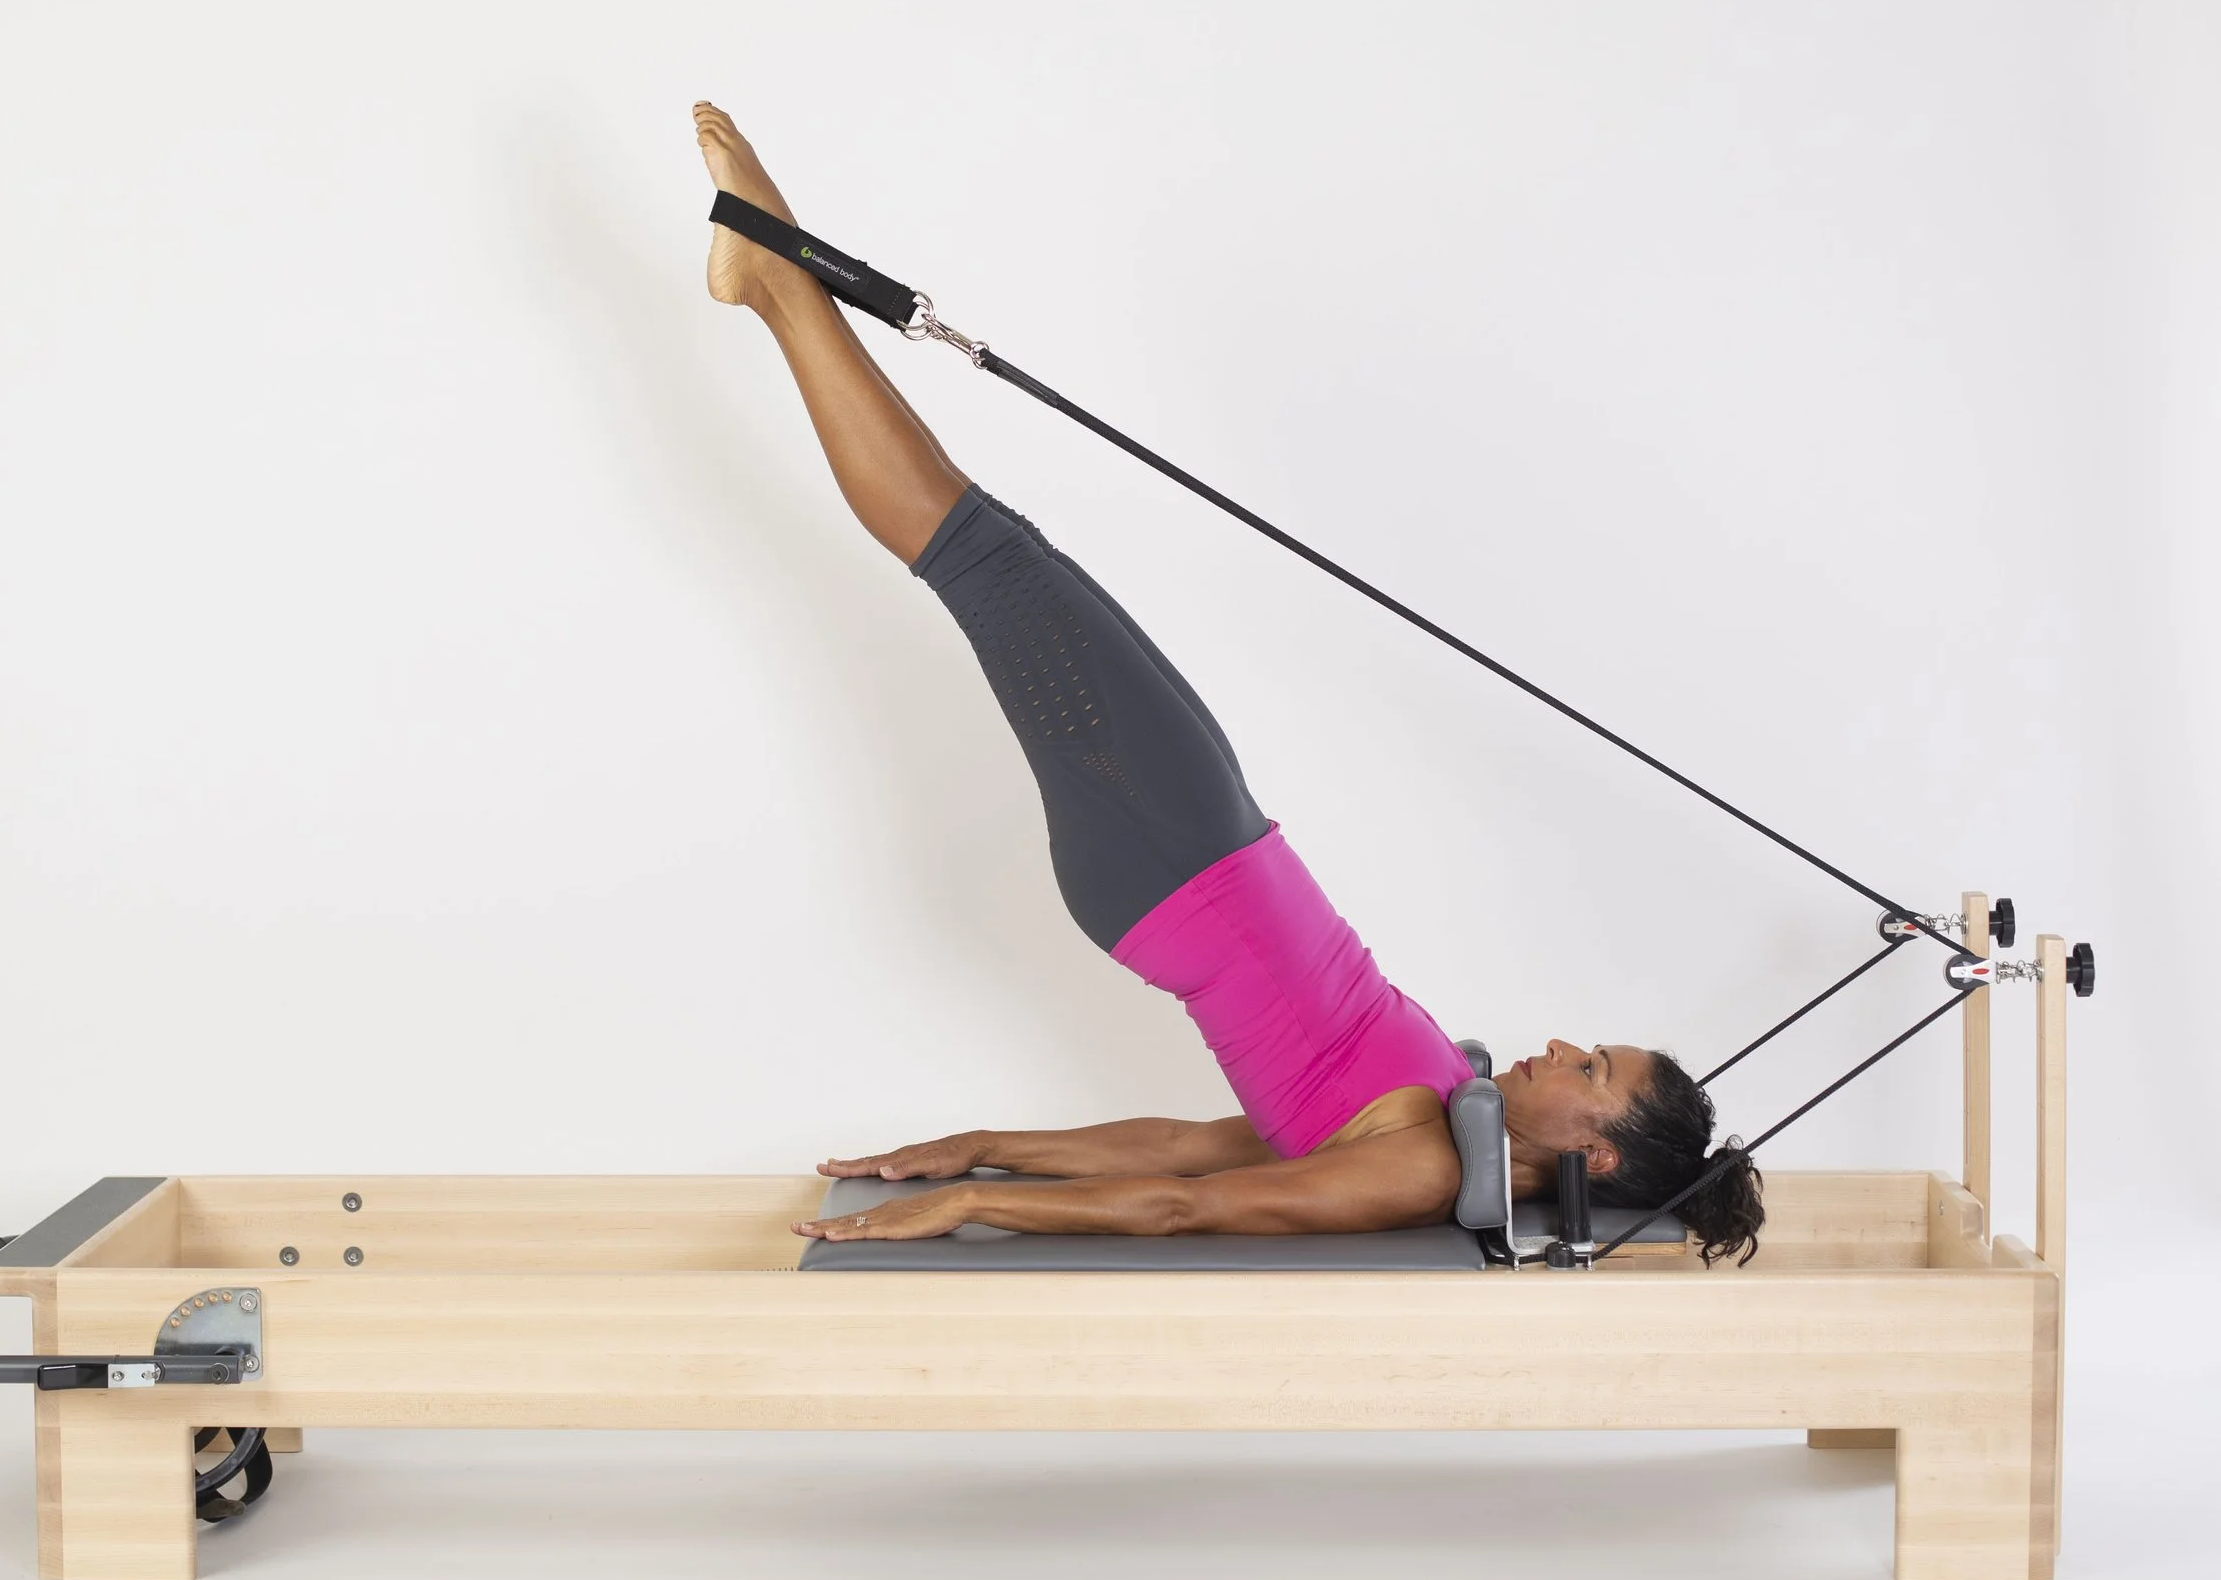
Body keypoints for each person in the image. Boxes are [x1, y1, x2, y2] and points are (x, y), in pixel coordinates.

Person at [690, 104, 1764, 1265]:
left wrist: (968, 1206)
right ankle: (773, 283)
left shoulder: (1418, 1170)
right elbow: (1193, 1147)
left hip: (1181, 858)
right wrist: (981, 1148)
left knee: (981, 559)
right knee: (1003, 555)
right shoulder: (1451, 1117)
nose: (1558, 1047)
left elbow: (1184, 1207)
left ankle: (776, 279)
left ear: (1592, 1155)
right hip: (1204, 841)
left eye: (1588, 1070)